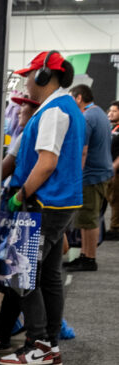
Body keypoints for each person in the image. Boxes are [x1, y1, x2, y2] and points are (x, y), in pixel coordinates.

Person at [0, 51, 85, 365]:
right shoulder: (59, 109)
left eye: (29, 75)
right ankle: (50, 344)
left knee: (23, 275)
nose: (25, 82)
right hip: (55, 204)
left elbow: (46, 163)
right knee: (48, 277)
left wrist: (22, 194)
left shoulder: (55, 112)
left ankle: (38, 346)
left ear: (46, 76)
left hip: (43, 204)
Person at [0, 91, 40, 352]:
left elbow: (7, 166)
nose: (17, 113)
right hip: (28, 207)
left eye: (22, 110)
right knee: (21, 273)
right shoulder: (31, 134)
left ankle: (6, 331)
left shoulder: (24, 136)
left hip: (19, 207)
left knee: (16, 273)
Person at [63, 80, 113, 271]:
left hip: (91, 176)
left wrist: (76, 176)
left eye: (72, 98)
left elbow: (83, 151)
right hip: (101, 174)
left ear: (79, 97)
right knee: (89, 218)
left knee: (88, 218)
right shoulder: (99, 113)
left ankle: (89, 258)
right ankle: (85, 254)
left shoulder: (87, 117)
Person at [101, 100, 119, 241]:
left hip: (116, 170)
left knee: (115, 199)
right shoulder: (111, 127)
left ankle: (115, 228)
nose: (110, 113)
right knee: (110, 198)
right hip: (107, 169)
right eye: (110, 110)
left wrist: (114, 166)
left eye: (114, 111)